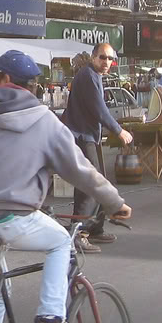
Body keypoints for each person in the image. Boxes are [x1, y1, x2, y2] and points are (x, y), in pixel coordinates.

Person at [0, 48, 132, 323]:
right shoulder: (44, 121)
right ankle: (50, 317)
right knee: (61, 243)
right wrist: (115, 203)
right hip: (10, 218)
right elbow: (83, 171)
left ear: (4, 79)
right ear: (31, 85)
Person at [61, 42, 133, 251]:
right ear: (94, 57)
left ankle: (95, 228)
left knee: (97, 179)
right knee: (91, 182)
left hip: (87, 135)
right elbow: (99, 110)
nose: (106, 62)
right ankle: (79, 232)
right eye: (102, 57)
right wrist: (119, 131)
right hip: (82, 136)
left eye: (110, 59)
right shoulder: (88, 76)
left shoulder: (92, 76)